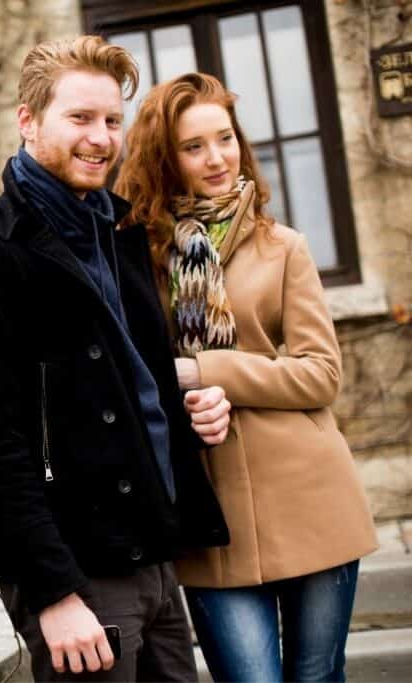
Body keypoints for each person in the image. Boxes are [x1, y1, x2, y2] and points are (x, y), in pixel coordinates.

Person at [0, 36, 233, 682]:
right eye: (80, 118)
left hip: (153, 556)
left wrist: (189, 414)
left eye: (111, 120)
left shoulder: (117, 231)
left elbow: (124, 385)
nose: (101, 138)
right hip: (80, 571)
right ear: (28, 120)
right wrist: (55, 591)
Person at [115, 72, 379, 682]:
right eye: (193, 146)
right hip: (211, 520)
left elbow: (320, 374)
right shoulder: (139, 259)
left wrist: (205, 369)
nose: (217, 158)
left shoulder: (283, 246)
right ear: (164, 158)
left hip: (312, 497)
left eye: (225, 138)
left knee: (316, 676)